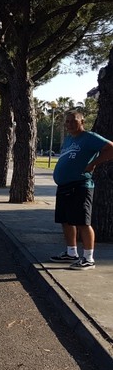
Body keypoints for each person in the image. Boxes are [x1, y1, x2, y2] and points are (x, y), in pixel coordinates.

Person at [50, 110, 113, 270]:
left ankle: (88, 258)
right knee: (65, 221)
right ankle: (71, 253)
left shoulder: (89, 137)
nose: (70, 124)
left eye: (73, 121)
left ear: (82, 122)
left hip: (80, 186)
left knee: (83, 223)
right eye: (67, 121)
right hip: (64, 186)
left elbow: (110, 148)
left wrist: (93, 163)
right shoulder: (69, 139)